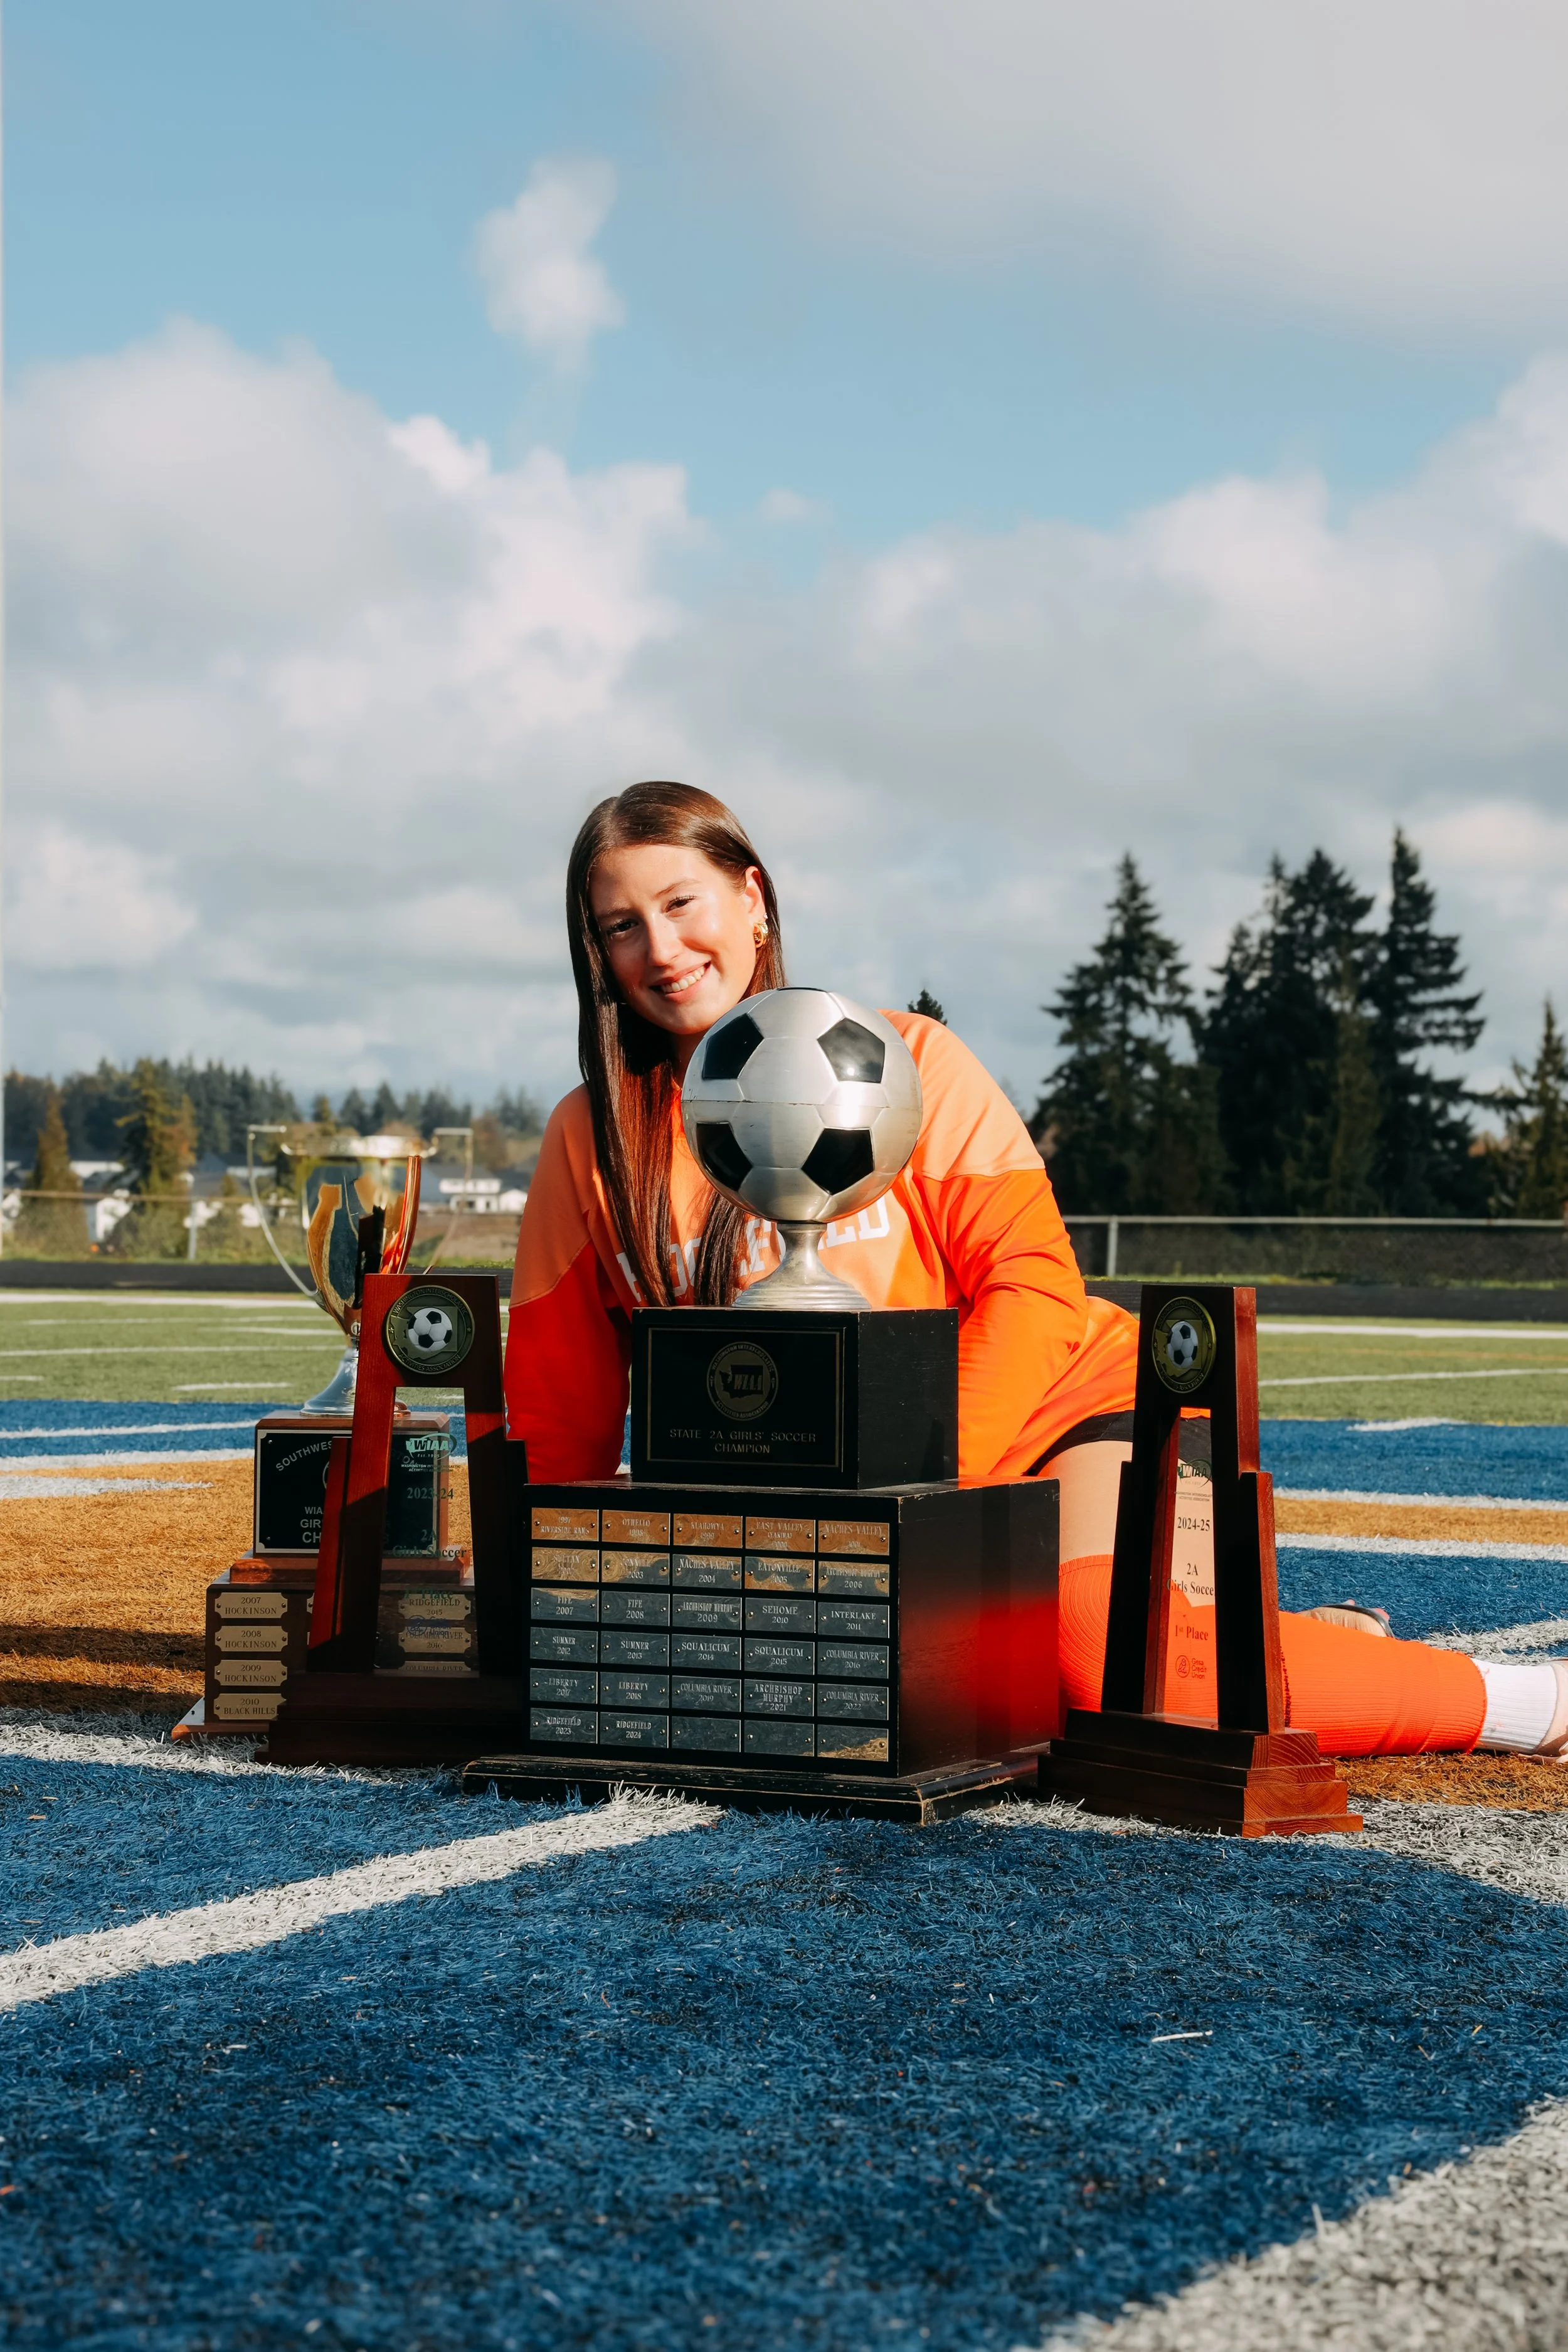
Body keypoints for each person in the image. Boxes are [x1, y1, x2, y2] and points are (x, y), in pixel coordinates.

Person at [505, 781, 1567, 1764]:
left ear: (754, 900)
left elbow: (1034, 1287)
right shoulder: (589, 1139)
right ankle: (1281, 1632)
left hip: (1070, 1420)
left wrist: (917, 1493)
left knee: (1089, 1652)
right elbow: (561, 1399)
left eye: (683, 902)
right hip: (843, 1503)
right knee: (711, 1671)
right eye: (621, 926)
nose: (663, 946)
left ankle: (1532, 1702)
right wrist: (534, 1589)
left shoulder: (904, 1060)